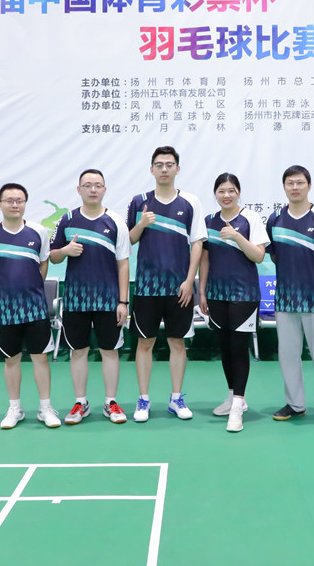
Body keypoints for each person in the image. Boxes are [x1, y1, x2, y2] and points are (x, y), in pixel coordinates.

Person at [126, 146, 206, 422]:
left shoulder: (190, 202)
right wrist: (141, 224)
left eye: (169, 164)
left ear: (177, 169)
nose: (164, 169)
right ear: (151, 169)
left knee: (177, 343)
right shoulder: (139, 202)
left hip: (179, 288)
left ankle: (176, 398)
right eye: (159, 164)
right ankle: (143, 399)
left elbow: (197, 243)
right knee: (144, 343)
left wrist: (189, 280)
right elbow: (128, 240)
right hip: (146, 287)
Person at [0, 183, 61, 429]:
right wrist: (3, 291)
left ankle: (45, 408)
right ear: (0, 204)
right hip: (5, 312)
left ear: (25, 203)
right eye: (9, 200)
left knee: (40, 358)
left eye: (20, 200)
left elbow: (43, 264)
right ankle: (15, 409)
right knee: (11, 360)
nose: (15, 205)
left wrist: (32, 288)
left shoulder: (38, 232)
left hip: (36, 309)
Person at [49, 169, 131, 424]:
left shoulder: (116, 222)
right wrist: (66, 250)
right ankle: (80, 403)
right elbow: (53, 256)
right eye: (87, 185)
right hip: (76, 300)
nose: (93, 189)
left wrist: (123, 302)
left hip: (109, 301)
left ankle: (111, 403)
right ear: (79, 190)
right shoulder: (67, 220)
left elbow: (123, 264)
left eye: (97, 185)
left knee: (110, 351)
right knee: (78, 351)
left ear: (104, 189)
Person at [266, 165, 314, 426]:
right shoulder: (275, 219)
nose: (295, 187)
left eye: (299, 182)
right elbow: (275, 255)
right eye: (290, 183)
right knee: (288, 354)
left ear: (309, 185)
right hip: (285, 299)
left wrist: (311, 278)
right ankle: (295, 404)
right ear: (284, 187)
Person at [198, 173, 269, 433]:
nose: (226, 195)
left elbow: (259, 256)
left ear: (238, 192)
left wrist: (237, 237)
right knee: (225, 347)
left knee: (239, 348)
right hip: (217, 294)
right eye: (221, 191)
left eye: (231, 190)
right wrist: (202, 292)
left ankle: (238, 406)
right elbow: (205, 260)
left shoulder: (250, 218)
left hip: (244, 294)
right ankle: (232, 396)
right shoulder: (208, 221)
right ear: (215, 194)